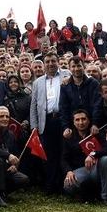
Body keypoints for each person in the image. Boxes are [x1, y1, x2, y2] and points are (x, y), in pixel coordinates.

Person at [30, 52, 69, 194]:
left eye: (53, 61)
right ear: (44, 64)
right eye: (47, 61)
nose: (50, 64)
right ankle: (50, 185)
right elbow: (34, 105)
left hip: (63, 120)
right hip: (46, 121)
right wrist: (34, 126)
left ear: (58, 62)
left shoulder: (67, 75)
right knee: (48, 154)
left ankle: (64, 185)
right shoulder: (38, 82)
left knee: (64, 153)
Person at [62, 109, 107, 204]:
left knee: (106, 160)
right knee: (68, 185)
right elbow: (64, 159)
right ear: (73, 122)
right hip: (80, 170)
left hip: (96, 169)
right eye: (77, 120)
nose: (81, 122)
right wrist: (68, 171)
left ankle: (106, 198)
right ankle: (86, 196)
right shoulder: (70, 137)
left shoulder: (96, 133)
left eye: (83, 119)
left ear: (89, 121)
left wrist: (93, 154)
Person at [59, 56, 101, 137]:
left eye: (79, 66)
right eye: (73, 66)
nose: (76, 69)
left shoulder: (93, 83)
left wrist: (95, 123)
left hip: (92, 126)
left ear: (83, 67)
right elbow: (63, 108)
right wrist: (66, 127)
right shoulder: (65, 86)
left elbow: (97, 105)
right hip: (73, 127)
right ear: (69, 68)